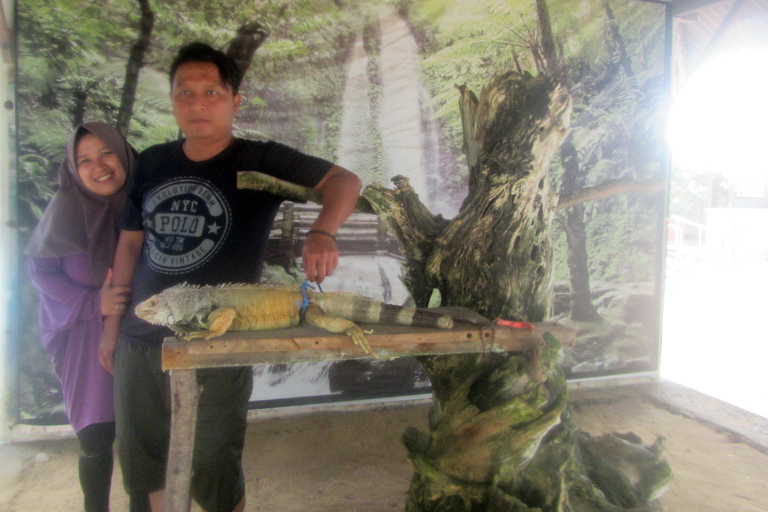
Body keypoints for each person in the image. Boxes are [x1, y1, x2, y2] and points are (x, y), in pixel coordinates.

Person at [99, 42, 362, 512]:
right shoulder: (153, 162)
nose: (197, 105)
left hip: (220, 336)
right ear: (173, 100)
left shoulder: (260, 159)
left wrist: (323, 231)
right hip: (142, 334)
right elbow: (130, 243)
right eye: (185, 93)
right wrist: (110, 329)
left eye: (211, 93)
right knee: (144, 457)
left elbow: (345, 182)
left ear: (235, 100)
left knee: (215, 462)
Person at [25, 123, 139, 512]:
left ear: (124, 155)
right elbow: (41, 272)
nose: (98, 166)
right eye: (84, 160)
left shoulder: (149, 201)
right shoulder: (65, 209)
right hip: (83, 336)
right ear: (73, 169)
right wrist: (95, 304)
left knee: (145, 438)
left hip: (144, 332)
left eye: (106, 153)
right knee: (96, 437)